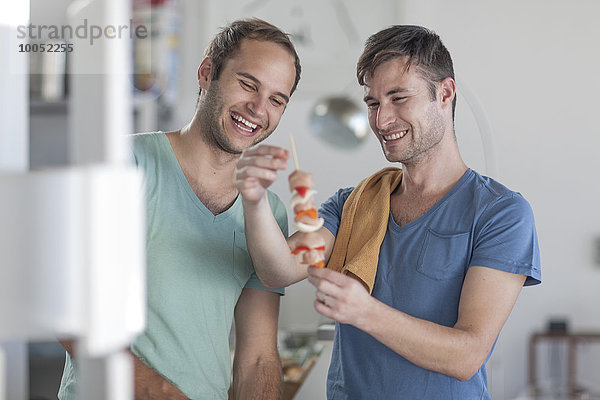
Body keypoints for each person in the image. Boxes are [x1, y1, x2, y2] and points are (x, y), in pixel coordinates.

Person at [235, 25, 541, 399]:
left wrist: (364, 312)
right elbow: (277, 269)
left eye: (398, 98)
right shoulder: (353, 204)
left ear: (444, 93)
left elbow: (466, 356)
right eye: (373, 103)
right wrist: (254, 200)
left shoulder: (501, 214)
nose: (381, 121)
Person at [58, 18, 301, 399]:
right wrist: (163, 393)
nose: (257, 108)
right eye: (247, 84)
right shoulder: (123, 161)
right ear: (207, 73)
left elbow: (256, 359)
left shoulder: (268, 212)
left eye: (276, 99)